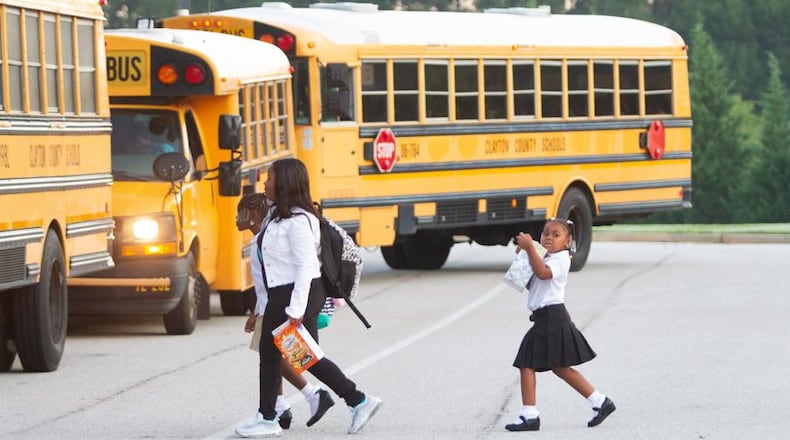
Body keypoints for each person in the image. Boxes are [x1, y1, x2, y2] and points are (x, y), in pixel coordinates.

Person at [235, 158, 382, 438]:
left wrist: (296, 307)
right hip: (284, 293)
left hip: (296, 293)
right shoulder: (279, 217)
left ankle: (269, 418)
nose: (265, 182)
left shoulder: (299, 221)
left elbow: (306, 266)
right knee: (303, 357)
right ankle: (357, 400)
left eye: (270, 178)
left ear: (286, 183)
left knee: (275, 354)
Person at [235, 193, 335, 430]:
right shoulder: (266, 237)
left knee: (294, 354)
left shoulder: (262, 239)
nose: (234, 219)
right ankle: (280, 406)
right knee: (275, 354)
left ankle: (326, 394)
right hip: (279, 304)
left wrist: (261, 312)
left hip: (281, 305)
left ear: (252, 214)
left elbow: (265, 284)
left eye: (238, 213)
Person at [505, 218, 615, 432]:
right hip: (547, 317)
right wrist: (523, 255)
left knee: (526, 363)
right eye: (546, 233)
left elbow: (544, 273)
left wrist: (531, 250)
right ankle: (600, 402)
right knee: (560, 367)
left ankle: (530, 415)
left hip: (552, 318)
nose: (549, 238)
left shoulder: (562, 259)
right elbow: (530, 282)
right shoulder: (545, 256)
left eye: (556, 235)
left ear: (567, 241)